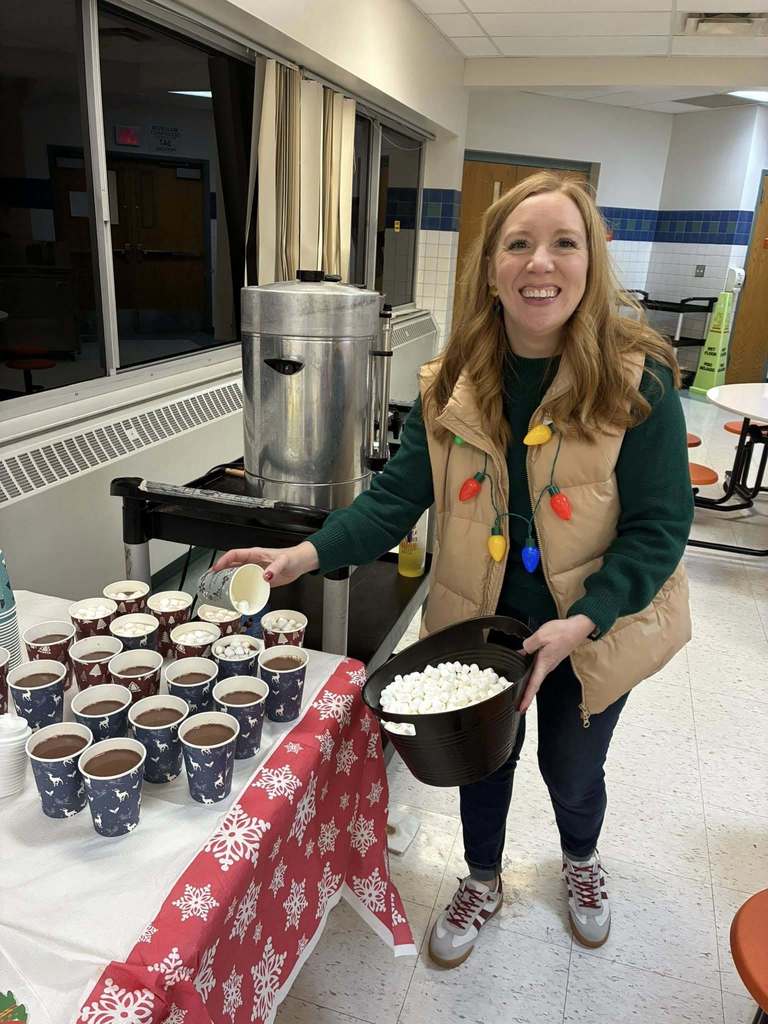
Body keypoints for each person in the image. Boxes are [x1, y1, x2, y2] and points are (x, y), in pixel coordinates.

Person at [213, 172, 693, 967]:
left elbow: (659, 528)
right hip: (483, 622)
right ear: (491, 267)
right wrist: (302, 554)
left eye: (564, 243)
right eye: (519, 244)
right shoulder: (451, 385)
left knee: (572, 768)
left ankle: (580, 860)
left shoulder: (636, 382)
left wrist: (583, 620)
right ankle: (481, 877)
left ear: (591, 262)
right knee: (480, 762)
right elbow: (393, 501)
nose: (541, 263)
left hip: (598, 623)